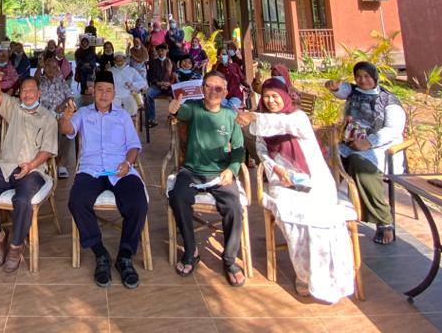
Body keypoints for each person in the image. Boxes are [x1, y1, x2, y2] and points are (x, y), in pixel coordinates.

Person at [235, 83, 355, 302]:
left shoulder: (297, 117)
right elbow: (262, 151)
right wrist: (276, 169)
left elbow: (282, 123)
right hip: (282, 181)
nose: (271, 101)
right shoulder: (261, 124)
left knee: (324, 222)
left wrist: (253, 116)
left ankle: (333, 275)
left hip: (315, 179)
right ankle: (304, 274)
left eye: (275, 96)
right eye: (267, 97)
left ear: (284, 96)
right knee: (293, 220)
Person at [61, 72, 147, 289]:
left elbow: (134, 146)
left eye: (108, 90)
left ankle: (125, 256)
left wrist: (128, 163)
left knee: (138, 203)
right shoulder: (83, 113)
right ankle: (100, 254)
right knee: (76, 201)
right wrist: (66, 117)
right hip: (91, 170)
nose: (104, 94)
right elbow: (68, 130)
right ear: (93, 91)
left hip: (120, 169)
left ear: (114, 94)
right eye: (100, 89)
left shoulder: (122, 116)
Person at [0, 72, 57, 273]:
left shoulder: (48, 118)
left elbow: (47, 151)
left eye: (31, 90)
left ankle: (15, 247)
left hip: (33, 170)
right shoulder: (14, 108)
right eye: (24, 90)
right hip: (6, 166)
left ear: (39, 93)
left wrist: (31, 165)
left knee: (22, 200)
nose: (27, 94)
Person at [167, 72, 246, 286]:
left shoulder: (230, 116)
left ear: (225, 92)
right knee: (178, 196)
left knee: (234, 206)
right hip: (192, 170)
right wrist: (174, 107)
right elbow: (180, 111)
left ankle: (229, 259)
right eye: (208, 86)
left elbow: (238, 148)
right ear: (202, 89)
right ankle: (191, 250)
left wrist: (232, 169)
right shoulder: (194, 108)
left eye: (218, 88)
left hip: (220, 172)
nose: (213, 92)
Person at [326, 62, 406, 245]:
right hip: (350, 143)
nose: (363, 80)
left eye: (367, 76)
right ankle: (334, 211)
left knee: (360, 165)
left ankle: (384, 220)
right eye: (359, 76)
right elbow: (342, 89)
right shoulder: (354, 91)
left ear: (375, 77)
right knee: (328, 160)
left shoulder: (388, 101)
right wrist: (334, 86)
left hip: (379, 148)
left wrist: (368, 143)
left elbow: (392, 130)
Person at [37, 54, 76, 179]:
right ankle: (50, 160)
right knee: (53, 127)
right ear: (44, 67)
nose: (51, 69)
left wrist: (63, 105)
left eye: (54, 67)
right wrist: (39, 68)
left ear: (58, 69)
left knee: (65, 128)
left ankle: (60, 163)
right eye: (48, 66)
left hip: (59, 114)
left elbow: (70, 96)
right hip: (44, 115)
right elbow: (34, 81)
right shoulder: (40, 81)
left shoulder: (61, 81)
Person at [144, 42, 173, 128]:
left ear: (166, 51)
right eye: (159, 51)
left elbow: (174, 76)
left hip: (169, 86)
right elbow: (150, 77)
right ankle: (151, 118)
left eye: (162, 50)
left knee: (177, 94)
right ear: (156, 52)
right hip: (157, 85)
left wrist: (169, 83)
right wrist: (159, 83)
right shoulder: (153, 63)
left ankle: (173, 116)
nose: (160, 52)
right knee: (148, 94)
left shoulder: (171, 62)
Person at [111, 52, 147, 116]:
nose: (119, 62)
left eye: (121, 60)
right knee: (112, 109)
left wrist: (132, 84)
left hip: (129, 94)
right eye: (117, 60)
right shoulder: (110, 71)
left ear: (124, 60)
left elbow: (143, 82)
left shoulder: (131, 70)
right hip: (115, 95)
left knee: (132, 106)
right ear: (114, 61)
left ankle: (130, 120)